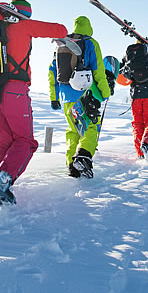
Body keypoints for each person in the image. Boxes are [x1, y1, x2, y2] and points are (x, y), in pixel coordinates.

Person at [0, 0, 68, 204]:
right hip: (15, 91)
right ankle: (2, 182)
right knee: (25, 141)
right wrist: (28, 21)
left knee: (4, 139)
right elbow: (61, 30)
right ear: (24, 14)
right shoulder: (24, 25)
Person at [48, 16, 111, 179]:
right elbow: (99, 71)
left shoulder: (63, 43)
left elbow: (52, 71)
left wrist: (54, 97)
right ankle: (83, 157)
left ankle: (72, 166)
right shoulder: (91, 43)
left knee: (73, 131)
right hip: (87, 95)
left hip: (67, 97)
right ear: (89, 28)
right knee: (91, 128)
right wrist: (105, 93)